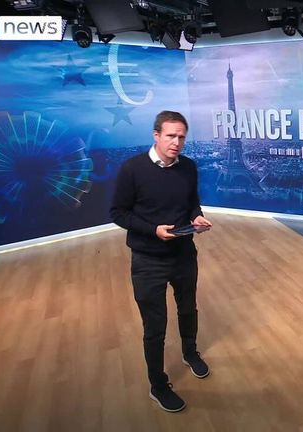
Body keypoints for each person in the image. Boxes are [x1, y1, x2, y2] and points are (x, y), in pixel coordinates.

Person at [110, 110, 213, 413]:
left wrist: (196, 216)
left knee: (188, 308)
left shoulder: (189, 167)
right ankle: (158, 385)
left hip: (184, 253)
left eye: (181, 137)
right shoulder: (133, 169)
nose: (176, 142)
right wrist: (152, 230)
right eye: (170, 136)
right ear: (156, 135)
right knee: (154, 326)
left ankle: (190, 352)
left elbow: (191, 202)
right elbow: (118, 213)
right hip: (148, 260)